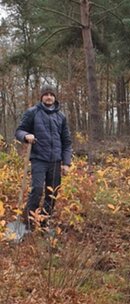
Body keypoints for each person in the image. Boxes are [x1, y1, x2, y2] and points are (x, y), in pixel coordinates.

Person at [15, 84, 73, 230]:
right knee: (37, 190)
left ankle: (44, 223)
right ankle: (27, 224)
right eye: (46, 94)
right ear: (42, 97)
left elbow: (67, 142)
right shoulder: (32, 112)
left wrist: (66, 163)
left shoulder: (61, 116)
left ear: (54, 97)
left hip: (55, 161)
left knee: (52, 193)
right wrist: (26, 136)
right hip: (38, 159)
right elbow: (19, 131)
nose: (49, 97)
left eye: (51, 94)